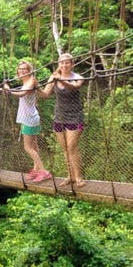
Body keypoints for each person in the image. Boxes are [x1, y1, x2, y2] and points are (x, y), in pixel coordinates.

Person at [41, 53, 86, 188]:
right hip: (59, 117)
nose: (64, 65)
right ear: (59, 64)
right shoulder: (53, 77)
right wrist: (36, 88)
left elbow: (75, 87)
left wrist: (60, 80)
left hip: (74, 116)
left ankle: (78, 177)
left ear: (72, 64)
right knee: (65, 149)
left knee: (72, 147)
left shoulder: (78, 77)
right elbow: (45, 94)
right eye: (62, 63)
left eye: (67, 63)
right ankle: (70, 176)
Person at [3, 61, 51, 183]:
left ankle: (43, 171)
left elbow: (22, 94)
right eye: (20, 69)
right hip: (30, 116)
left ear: (29, 70)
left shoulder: (31, 81)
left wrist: (8, 90)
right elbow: (44, 94)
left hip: (29, 118)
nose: (22, 71)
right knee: (34, 146)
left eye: (25, 68)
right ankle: (36, 170)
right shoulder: (27, 82)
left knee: (28, 147)